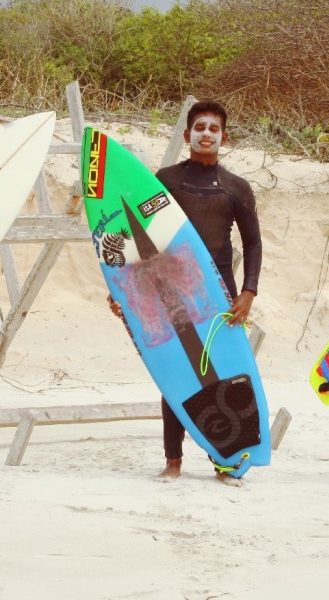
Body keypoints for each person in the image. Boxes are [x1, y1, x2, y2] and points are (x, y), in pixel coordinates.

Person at [110, 100, 262, 486]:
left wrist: (248, 292)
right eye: (200, 127)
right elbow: (138, 237)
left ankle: (224, 461)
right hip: (169, 288)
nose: (206, 133)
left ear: (224, 137)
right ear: (187, 135)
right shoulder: (167, 179)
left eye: (214, 128)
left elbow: (254, 244)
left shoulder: (236, 188)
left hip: (218, 292)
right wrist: (125, 291)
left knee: (224, 372)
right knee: (177, 372)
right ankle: (173, 459)